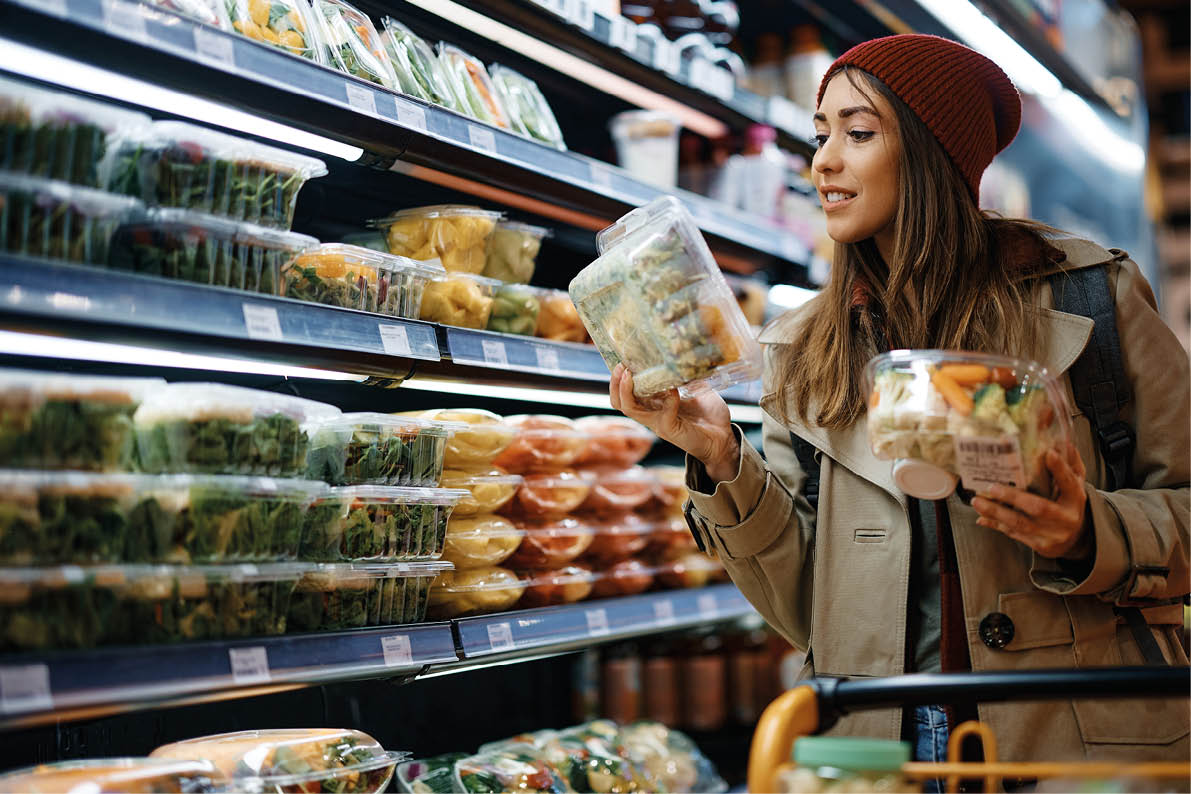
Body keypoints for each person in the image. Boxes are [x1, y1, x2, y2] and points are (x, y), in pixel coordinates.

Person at [610, 33, 1189, 767]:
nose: (823, 160)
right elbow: (803, 612)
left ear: (930, 151)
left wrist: (1086, 529)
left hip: (1078, 740)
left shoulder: (1088, 297)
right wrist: (721, 457)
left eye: (857, 133)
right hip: (882, 749)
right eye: (820, 136)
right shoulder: (800, 351)